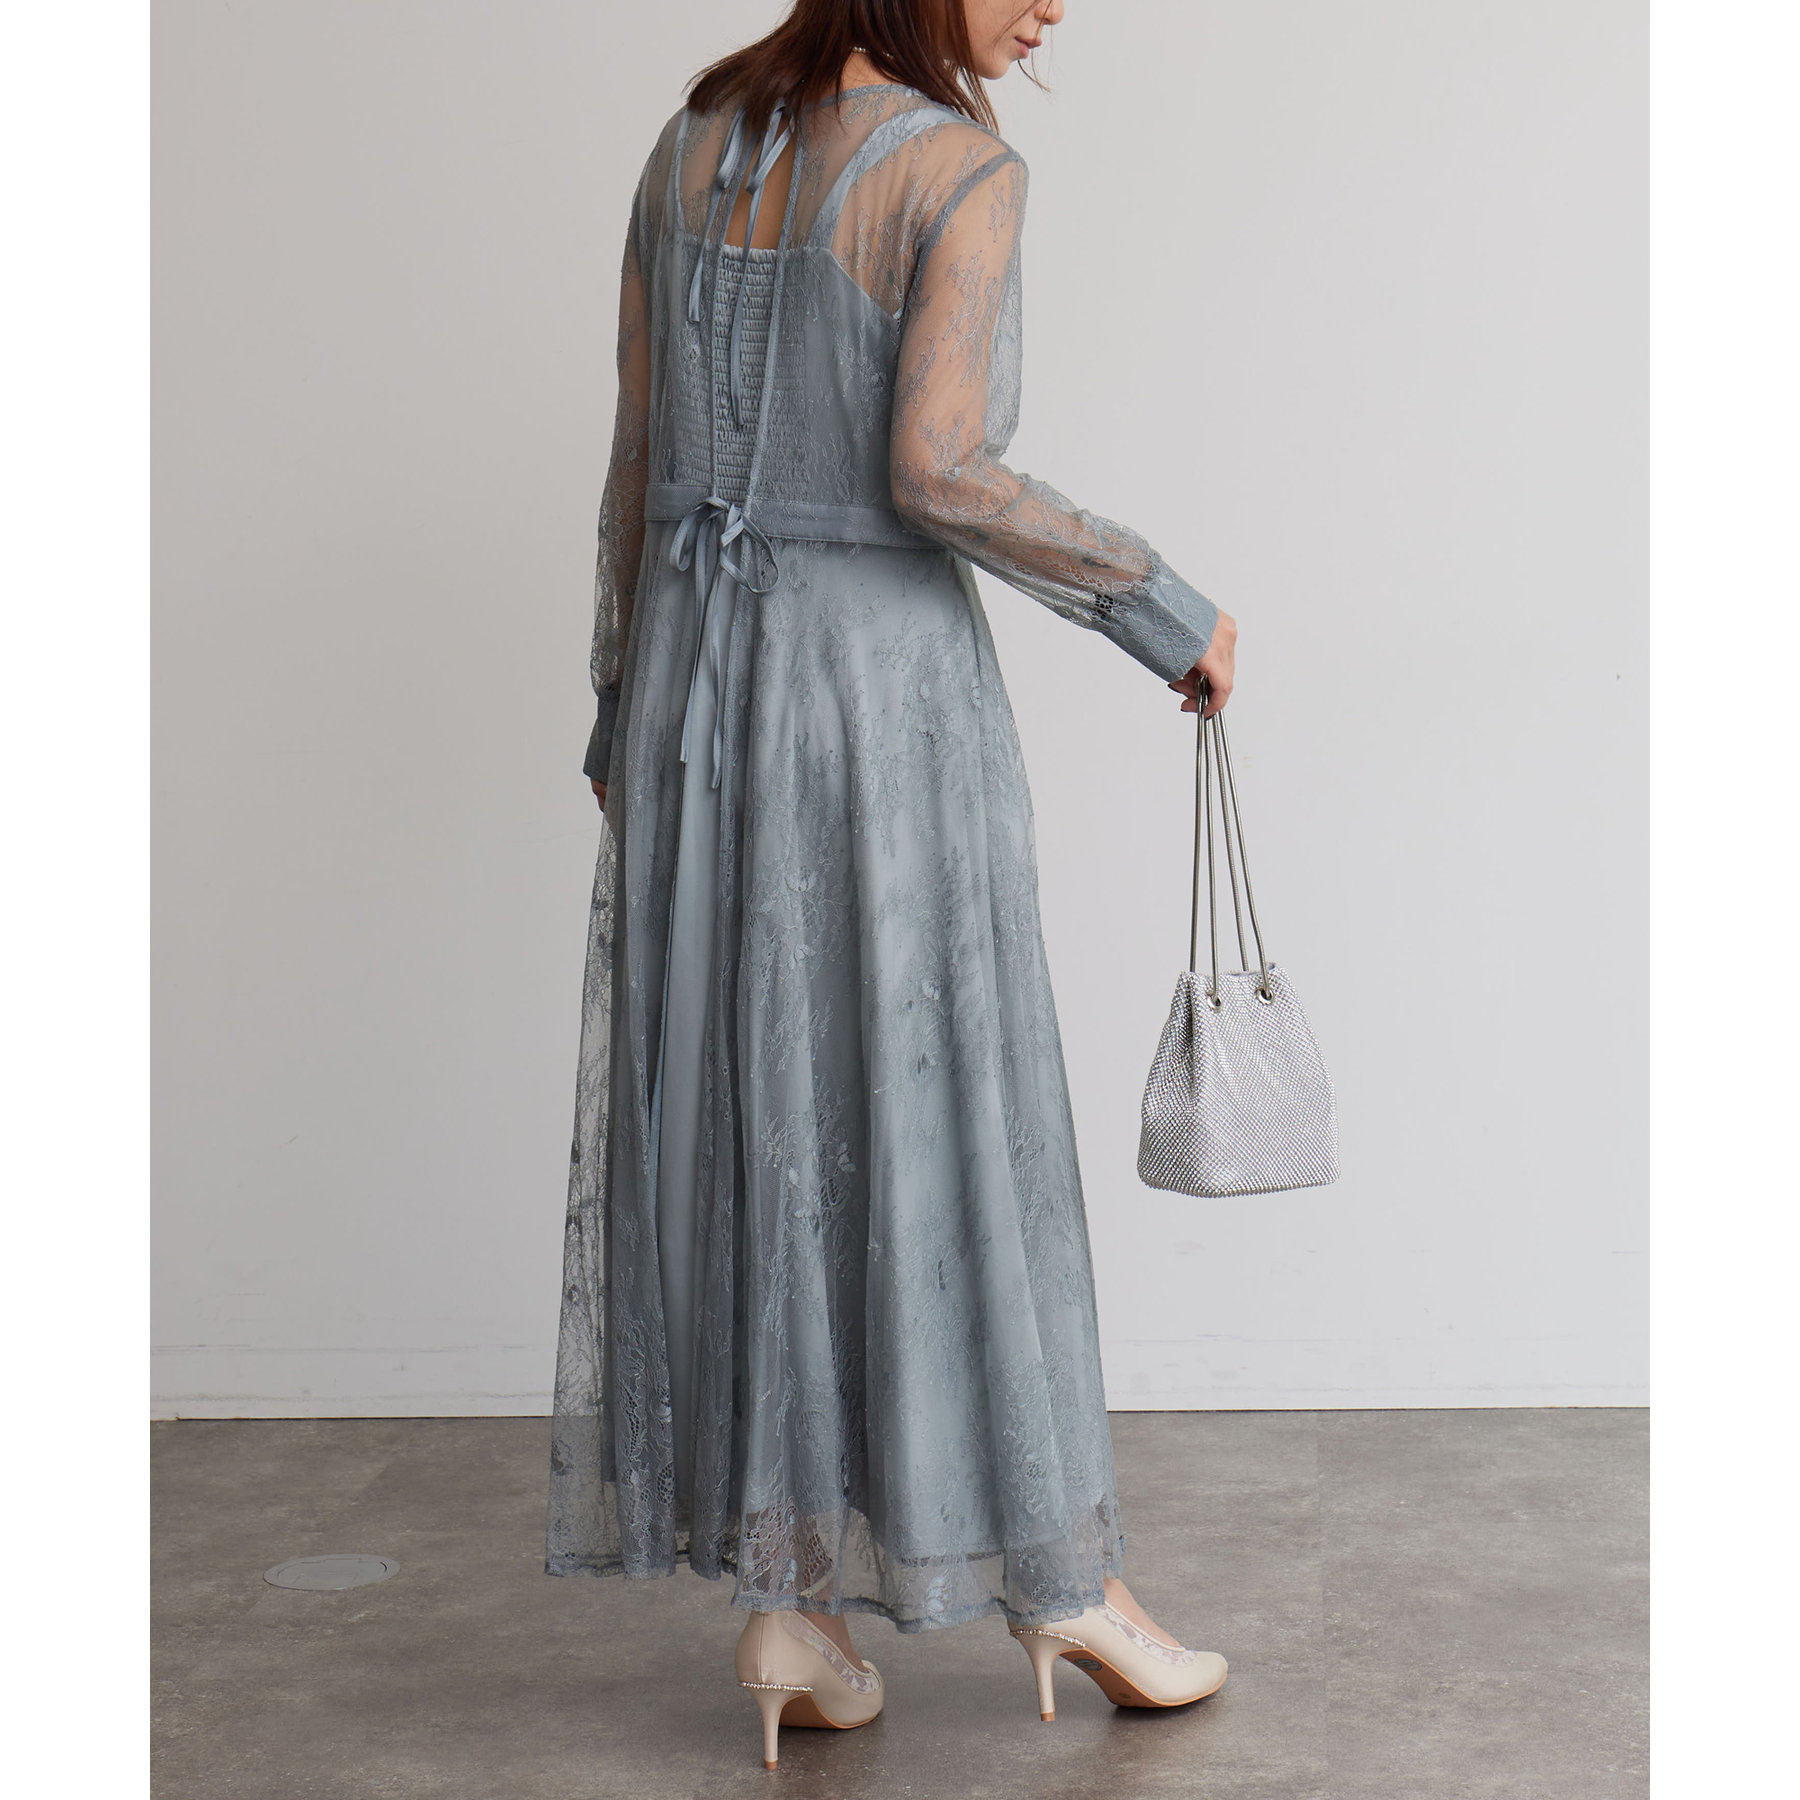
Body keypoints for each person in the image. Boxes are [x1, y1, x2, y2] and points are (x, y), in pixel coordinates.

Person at [546, 0, 1239, 1769]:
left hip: (699, 698)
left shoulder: (690, 144)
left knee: (756, 1116)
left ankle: (790, 1600)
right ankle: (1063, 1580)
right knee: (944, 1113)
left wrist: (625, 705)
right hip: (872, 700)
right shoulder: (955, 171)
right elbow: (934, 469)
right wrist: (1160, 605)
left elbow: (637, 458)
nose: (1057, 4)